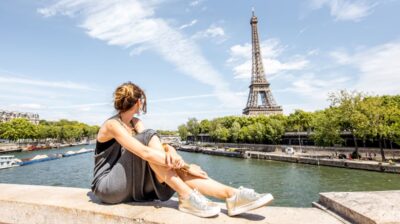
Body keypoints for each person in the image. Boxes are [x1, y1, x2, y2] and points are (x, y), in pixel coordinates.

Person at [91, 81, 274, 218]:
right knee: (149, 138)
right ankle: (186, 195)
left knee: (159, 156)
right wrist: (184, 165)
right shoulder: (112, 125)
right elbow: (145, 151)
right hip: (108, 187)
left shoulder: (135, 123)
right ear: (139, 102)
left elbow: (153, 148)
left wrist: (170, 149)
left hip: (128, 184)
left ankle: (232, 195)